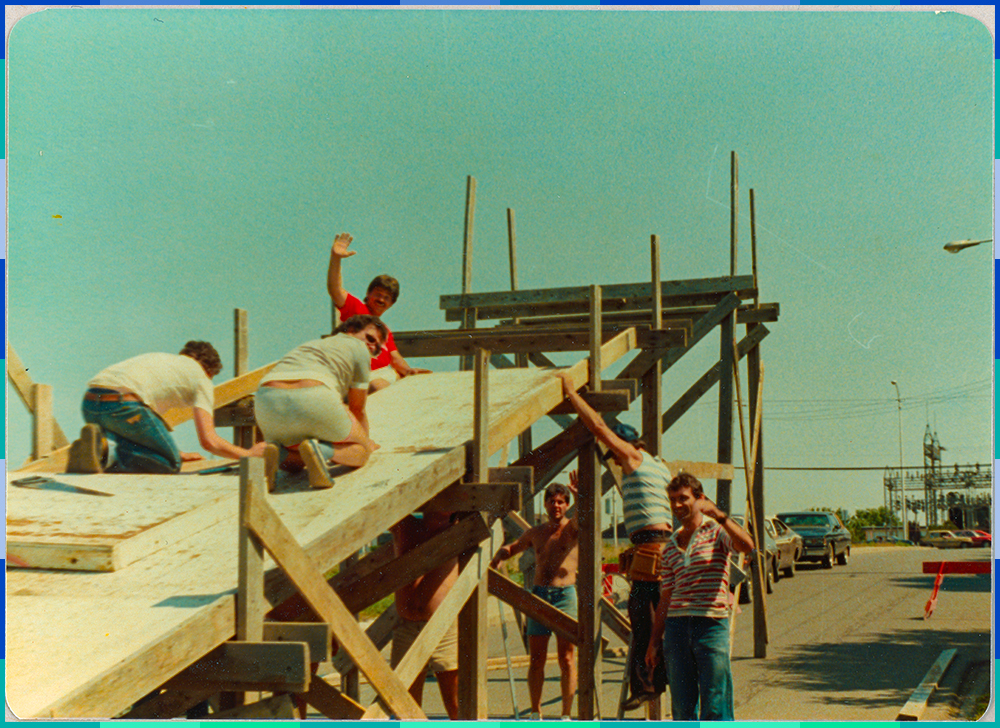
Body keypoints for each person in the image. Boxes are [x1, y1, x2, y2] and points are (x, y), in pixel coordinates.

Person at [554, 370, 672, 711]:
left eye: (615, 455)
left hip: (652, 544)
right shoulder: (658, 465)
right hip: (652, 543)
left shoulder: (634, 458)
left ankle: (649, 684)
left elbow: (600, 428)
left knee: (642, 616)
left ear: (629, 447)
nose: (615, 462)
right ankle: (653, 681)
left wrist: (572, 396)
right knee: (650, 618)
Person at [645, 472, 754, 721]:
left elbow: (746, 546)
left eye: (683, 498)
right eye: (672, 499)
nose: (677, 505)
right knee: (682, 707)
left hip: (711, 625)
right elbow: (666, 598)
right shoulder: (671, 546)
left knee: (716, 705)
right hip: (676, 628)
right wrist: (654, 641)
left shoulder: (716, 532)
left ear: (700, 499)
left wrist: (719, 515)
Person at [67, 341, 268, 474]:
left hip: (90, 405)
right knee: (170, 464)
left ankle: (98, 446)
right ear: (210, 372)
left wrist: (172, 449)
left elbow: (147, 430)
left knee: (158, 452)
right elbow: (209, 441)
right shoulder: (202, 379)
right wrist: (248, 454)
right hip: (123, 405)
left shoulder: (162, 361)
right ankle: (105, 452)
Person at [254, 314, 386, 489]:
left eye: (377, 349)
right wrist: (365, 442)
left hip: (265, 401)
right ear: (351, 330)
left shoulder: (310, 345)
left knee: (295, 463)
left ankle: (279, 453)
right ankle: (322, 450)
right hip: (313, 395)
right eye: (370, 338)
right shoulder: (358, 348)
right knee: (361, 452)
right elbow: (357, 407)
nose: (372, 347)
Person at [491, 480, 580, 720]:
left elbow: (583, 517)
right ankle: (535, 711)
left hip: (565, 595)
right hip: (540, 595)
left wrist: (578, 496)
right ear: (546, 504)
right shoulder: (536, 532)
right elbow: (514, 547)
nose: (556, 506)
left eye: (561, 501)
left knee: (567, 658)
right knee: (537, 658)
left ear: (567, 504)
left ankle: (566, 714)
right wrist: (500, 555)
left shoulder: (572, 528)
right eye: (552, 501)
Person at [326, 232, 431, 391]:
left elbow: (395, 358)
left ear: (391, 303)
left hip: (381, 374)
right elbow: (335, 289)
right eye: (378, 294)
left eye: (387, 297)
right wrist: (336, 258)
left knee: (405, 380)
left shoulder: (385, 331)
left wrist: (410, 371)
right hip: (356, 376)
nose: (381, 300)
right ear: (368, 294)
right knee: (377, 386)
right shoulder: (357, 310)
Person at [389, 511, 460, 720]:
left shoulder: (460, 528)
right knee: (406, 705)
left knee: (455, 702)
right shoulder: (406, 525)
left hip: (443, 628)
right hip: (407, 627)